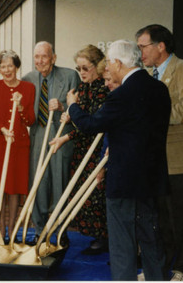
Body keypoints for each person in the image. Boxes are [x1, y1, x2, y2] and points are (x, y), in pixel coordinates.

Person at [53, 39, 171, 280]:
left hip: (124, 180)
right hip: (151, 178)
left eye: (108, 62)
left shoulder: (122, 95)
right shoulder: (159, 89)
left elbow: (90, 124)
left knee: (122, 244)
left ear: (117, 63)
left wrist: (73, 106)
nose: (107, 67)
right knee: (150, 237)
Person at [136, 24, 183, 281]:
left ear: (160, 46)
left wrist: (154, 116)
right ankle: (159, 268)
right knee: (161, 219)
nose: (140, 52)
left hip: (182, 161)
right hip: (156, 161)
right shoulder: (149, 76)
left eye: (143, 46)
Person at [49, 44, 109, 254]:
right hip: (82, 149)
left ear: (97, 66)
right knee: (82, 192)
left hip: (99, 149)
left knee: (96, 194)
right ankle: (96, 236)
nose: (81, 73)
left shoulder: (103, 88)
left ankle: (104, 238)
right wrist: (68, 111)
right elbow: (80, 114)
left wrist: (66, 137)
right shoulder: (83, 88)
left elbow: (92, 124)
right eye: (78, 69)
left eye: (85, 68)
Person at [21, 41, 80, 245]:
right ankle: (40, 229)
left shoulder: (70, 76)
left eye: (44, 56)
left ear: (53, 58)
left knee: (59, 183)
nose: (40, 61)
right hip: (38, 135)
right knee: (38, 182)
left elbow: (80, 109)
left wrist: (63, 106)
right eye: (37, 57)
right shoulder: (27, 79)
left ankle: (59, 229)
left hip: (60, 135)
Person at [0, 50, 35, 242]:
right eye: (3, 67)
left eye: (10, 66)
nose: (7, 70)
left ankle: (12, 230)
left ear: (16, 66)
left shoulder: (28, 88)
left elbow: (30, 120)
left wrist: (20, 108)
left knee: (14, 188)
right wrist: (3, 129)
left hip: (18, 145)